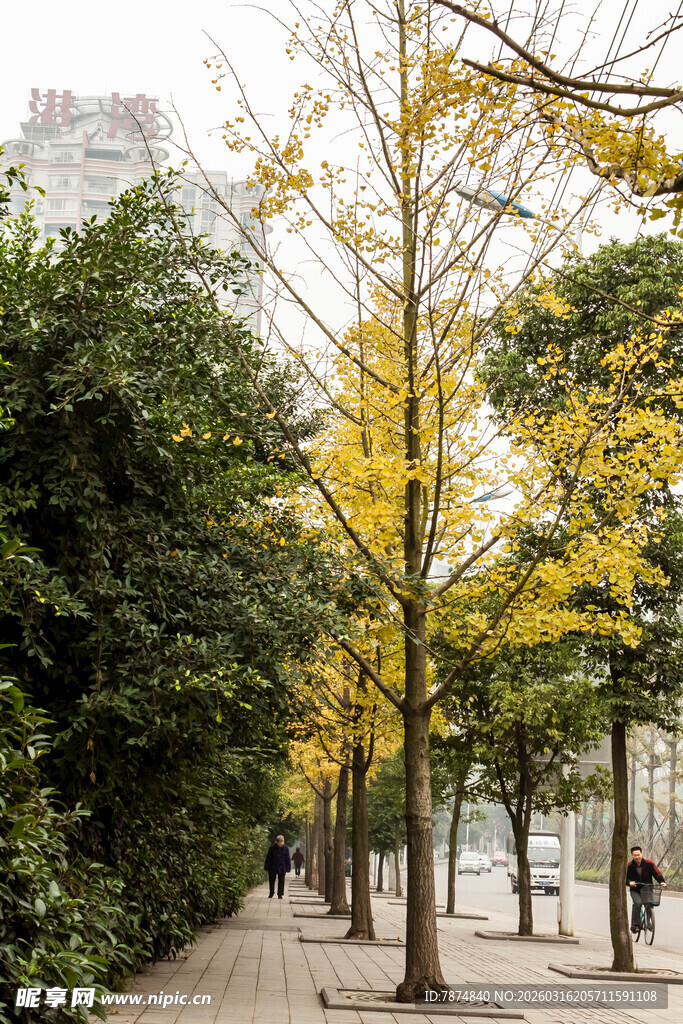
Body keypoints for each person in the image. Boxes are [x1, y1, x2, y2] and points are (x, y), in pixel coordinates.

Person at [626, 845, 666, 932]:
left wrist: (661, 882)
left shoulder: (649, 863)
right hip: (635, 889)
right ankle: (635, 925)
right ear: (632, 855)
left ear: (642, 854)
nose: (637, 857)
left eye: (638, 854)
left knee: (649, 904)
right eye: (635, 855)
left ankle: (648, 921)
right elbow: (624, 877)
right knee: (638, 903)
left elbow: (657, 874)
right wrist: (629, 882)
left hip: (647, 889)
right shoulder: (629, 865)